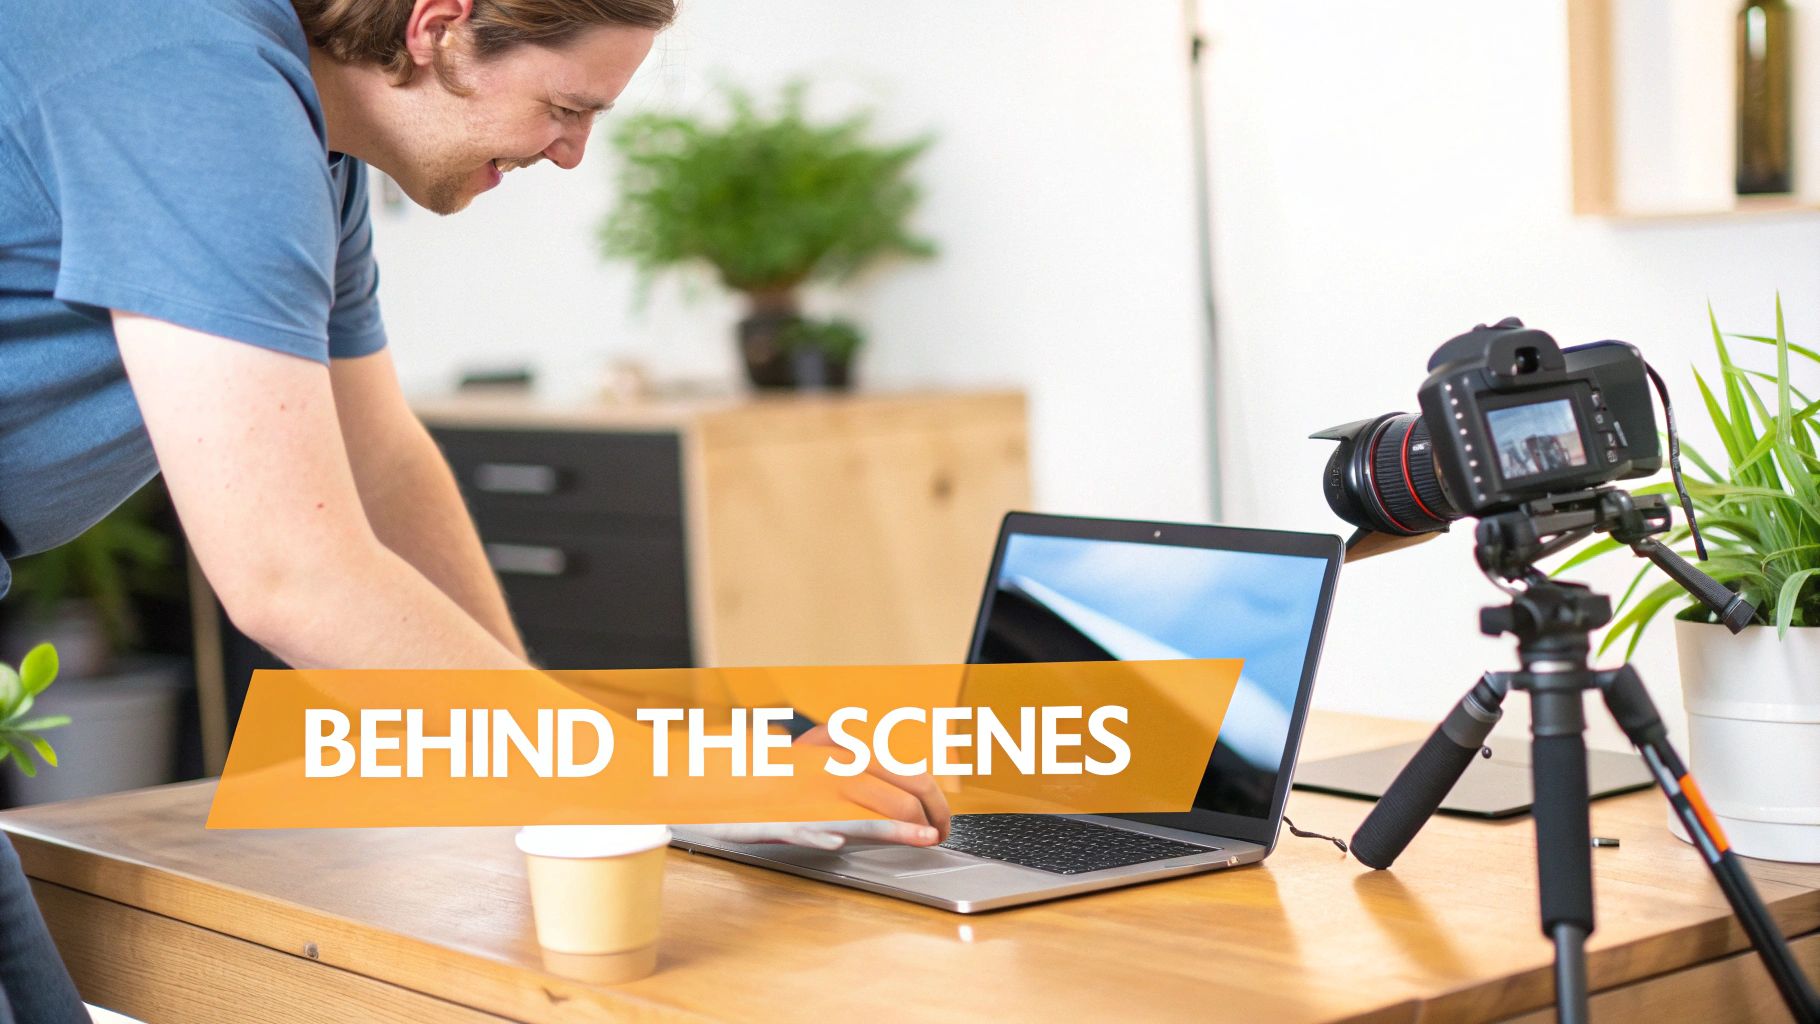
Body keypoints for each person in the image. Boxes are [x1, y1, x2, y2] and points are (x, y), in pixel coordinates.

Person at [0, 1, 945, 1017]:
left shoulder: (306, 135)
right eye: (564, 106)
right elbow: (289, 573)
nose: (573, 152)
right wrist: (660, 771)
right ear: (438, 29)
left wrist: (545, 762)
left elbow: (382, 467)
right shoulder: (196, 83)